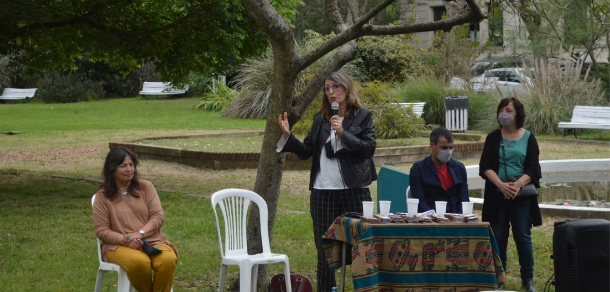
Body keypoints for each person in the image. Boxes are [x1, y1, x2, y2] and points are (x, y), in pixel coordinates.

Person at [277, 72, 377, 292]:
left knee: (362, 248)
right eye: (327, 88)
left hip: (355, 191)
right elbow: (305, 152)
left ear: (347, 89)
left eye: (336, 86)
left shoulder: (363, 116)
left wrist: (342, 133)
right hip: (323, 192)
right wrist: (288, 136)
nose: (331, 91)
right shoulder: (320, 119)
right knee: (325, 251)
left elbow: (368, 149)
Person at [93, 147, 178, 292]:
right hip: (118, 245)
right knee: (139, 262)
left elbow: (158, 217)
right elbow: (101, 231)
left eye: (131, 165)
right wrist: (126, 239)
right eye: (123, 166)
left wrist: (140, 234)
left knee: (167, 260)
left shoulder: (146, 187)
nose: (129, 169)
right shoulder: (103, 196)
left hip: (153, 241)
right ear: (112, 169)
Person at [479, 97, 542, 292]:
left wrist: (517, 185)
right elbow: (485, 166)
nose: (504, 114)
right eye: (502, 110)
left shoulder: (529, 138)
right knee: (499, 236)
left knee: (523, 236)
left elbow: (533, 168)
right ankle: (500, 278)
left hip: (521, 196)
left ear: (518, 114)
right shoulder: (493, 138)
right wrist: (501, 185)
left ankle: (528, 279)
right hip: (497, 196)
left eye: (509, 110)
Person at [409, 126, 469, 214]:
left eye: (451, 148)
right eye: (444, 148)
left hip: (456, 220)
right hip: (430, 221)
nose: (448, 152)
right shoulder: (418, 169)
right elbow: (420, 203)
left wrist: (459, 220)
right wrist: (436, 218)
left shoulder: (459, 168)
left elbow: (464, 200)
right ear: (432, 146)